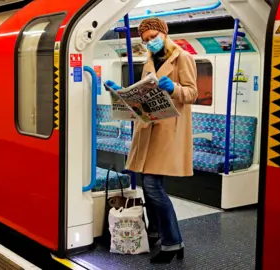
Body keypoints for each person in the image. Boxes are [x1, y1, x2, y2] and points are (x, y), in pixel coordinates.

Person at [105, 18, 198, 264]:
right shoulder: (148, 61)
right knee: (148, 185)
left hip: (169, 130)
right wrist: (122, 94)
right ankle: (156, 232)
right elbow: (144, 93)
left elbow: (192, 93)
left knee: (154, 186)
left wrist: (174, 88)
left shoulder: (183, 58)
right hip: (148, 127)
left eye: (153, 36)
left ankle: (172, 242)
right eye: (145, 39)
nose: (149, 42)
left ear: (164, 34)